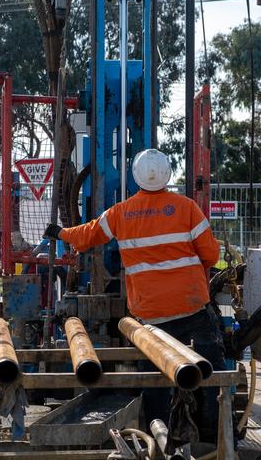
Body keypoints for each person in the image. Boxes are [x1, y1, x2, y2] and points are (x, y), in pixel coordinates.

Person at [44, 148, 224, 443]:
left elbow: (86, 236)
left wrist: (60, 233)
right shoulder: (187, 208)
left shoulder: (121, 213)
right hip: (192, 309)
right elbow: (211, 254)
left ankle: (159, 438)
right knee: (211, 373)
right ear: (167, 175)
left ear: (135, 177)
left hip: (150, 316)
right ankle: (213, 438)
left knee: (154, 380)